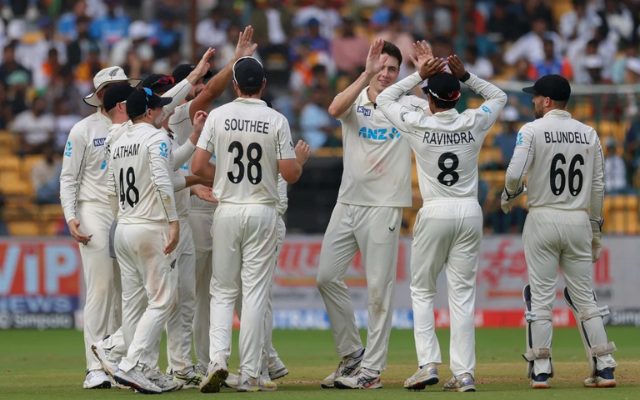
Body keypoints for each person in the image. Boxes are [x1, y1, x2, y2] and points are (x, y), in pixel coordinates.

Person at [377, 43, 507, 392]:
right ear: (456, 98)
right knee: (462, 296)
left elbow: (385, 99)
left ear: (431, 100)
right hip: (468, 211)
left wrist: (419, 74)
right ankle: (464, 374)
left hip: (435, 211)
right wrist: (465, 76)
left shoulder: (419, 124)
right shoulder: (473, 121)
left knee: (422, 290)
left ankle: (428, 364)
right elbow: (499, 96)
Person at [316, 39, 429, 390]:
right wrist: (364, 75)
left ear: (401, 73)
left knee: (379, 290)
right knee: (326, 277)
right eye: (380, 67)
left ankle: (372, 370)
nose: (385, 74)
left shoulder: (410, 103)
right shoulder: (356, 98)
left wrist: (424, 74)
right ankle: (352, 355)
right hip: (348, 203)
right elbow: (334, 109)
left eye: (392, 69)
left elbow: (441, 112)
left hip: (385, 207)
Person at [192, 56, 310, 393]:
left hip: (227, 208)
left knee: (222, 290)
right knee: (255, 292)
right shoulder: (276, 119)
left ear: (234, 86)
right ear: (263, 86)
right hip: (262, 210)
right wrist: (299, 162)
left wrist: (227, 181)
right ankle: (251, 372)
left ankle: (216, 361)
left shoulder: (218, 115)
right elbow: (289, 174)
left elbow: (199, 166)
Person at [501, 74, 617, 389]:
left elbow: (514, 174)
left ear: (548, 101)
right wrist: (595, 230)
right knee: (585, 297)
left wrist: (510, 195)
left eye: (536, 97)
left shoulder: (532, 129)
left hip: (542, 217)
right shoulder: (589, 133)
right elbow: (597, 187)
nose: (533, 101)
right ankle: (605, 366)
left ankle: (541, 369)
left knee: (540, 297)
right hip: (578, 219)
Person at [59, 66, 139, 390]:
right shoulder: (82, 130)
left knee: (125, 291)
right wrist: (71, 216)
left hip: (125, 212)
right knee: (102, 287)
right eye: (116, 88)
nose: (122, 93)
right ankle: (94, 368)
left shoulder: (134, 127)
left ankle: (118, 364)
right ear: (102, 95)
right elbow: (68, 178)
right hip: (93, 210)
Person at [109, 87, 178, 394]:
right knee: (162, 299)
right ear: (148, 112)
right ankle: (132, 364)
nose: (163, 111)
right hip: (149, 227)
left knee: (137, 302)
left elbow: (113, 188)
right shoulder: (156, 138)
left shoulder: (118, 141)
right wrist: (173, 221)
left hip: (124, 227)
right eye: (159, 107)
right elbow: (163, 180)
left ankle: (144, 370)